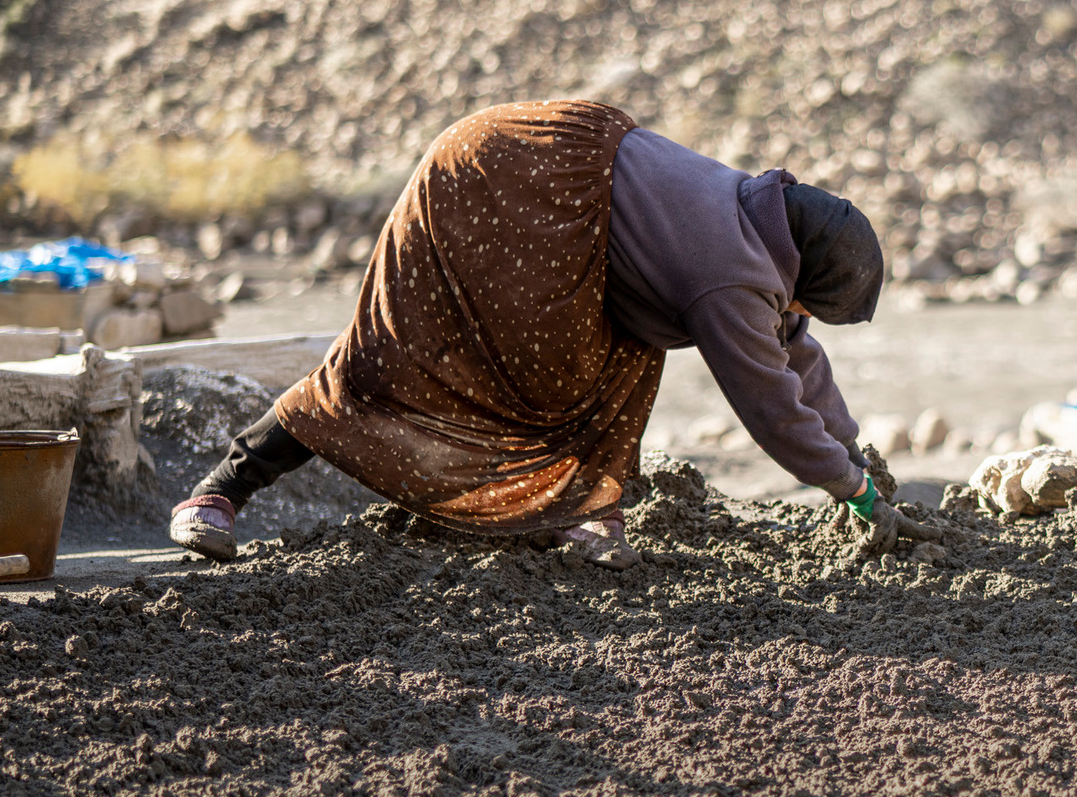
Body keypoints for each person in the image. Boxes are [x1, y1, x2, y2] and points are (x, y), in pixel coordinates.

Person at [166, 99, 889, 570]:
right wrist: (852, 489)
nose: (799, 311)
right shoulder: (729, 274)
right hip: (501, 185)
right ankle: (218, 493)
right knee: (390, 358)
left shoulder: (758, 219)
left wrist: (853, 455)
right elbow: (769, 401)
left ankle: (578, 514)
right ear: (803, 274)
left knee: (614, 355)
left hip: (539, 167)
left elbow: (794, 351)